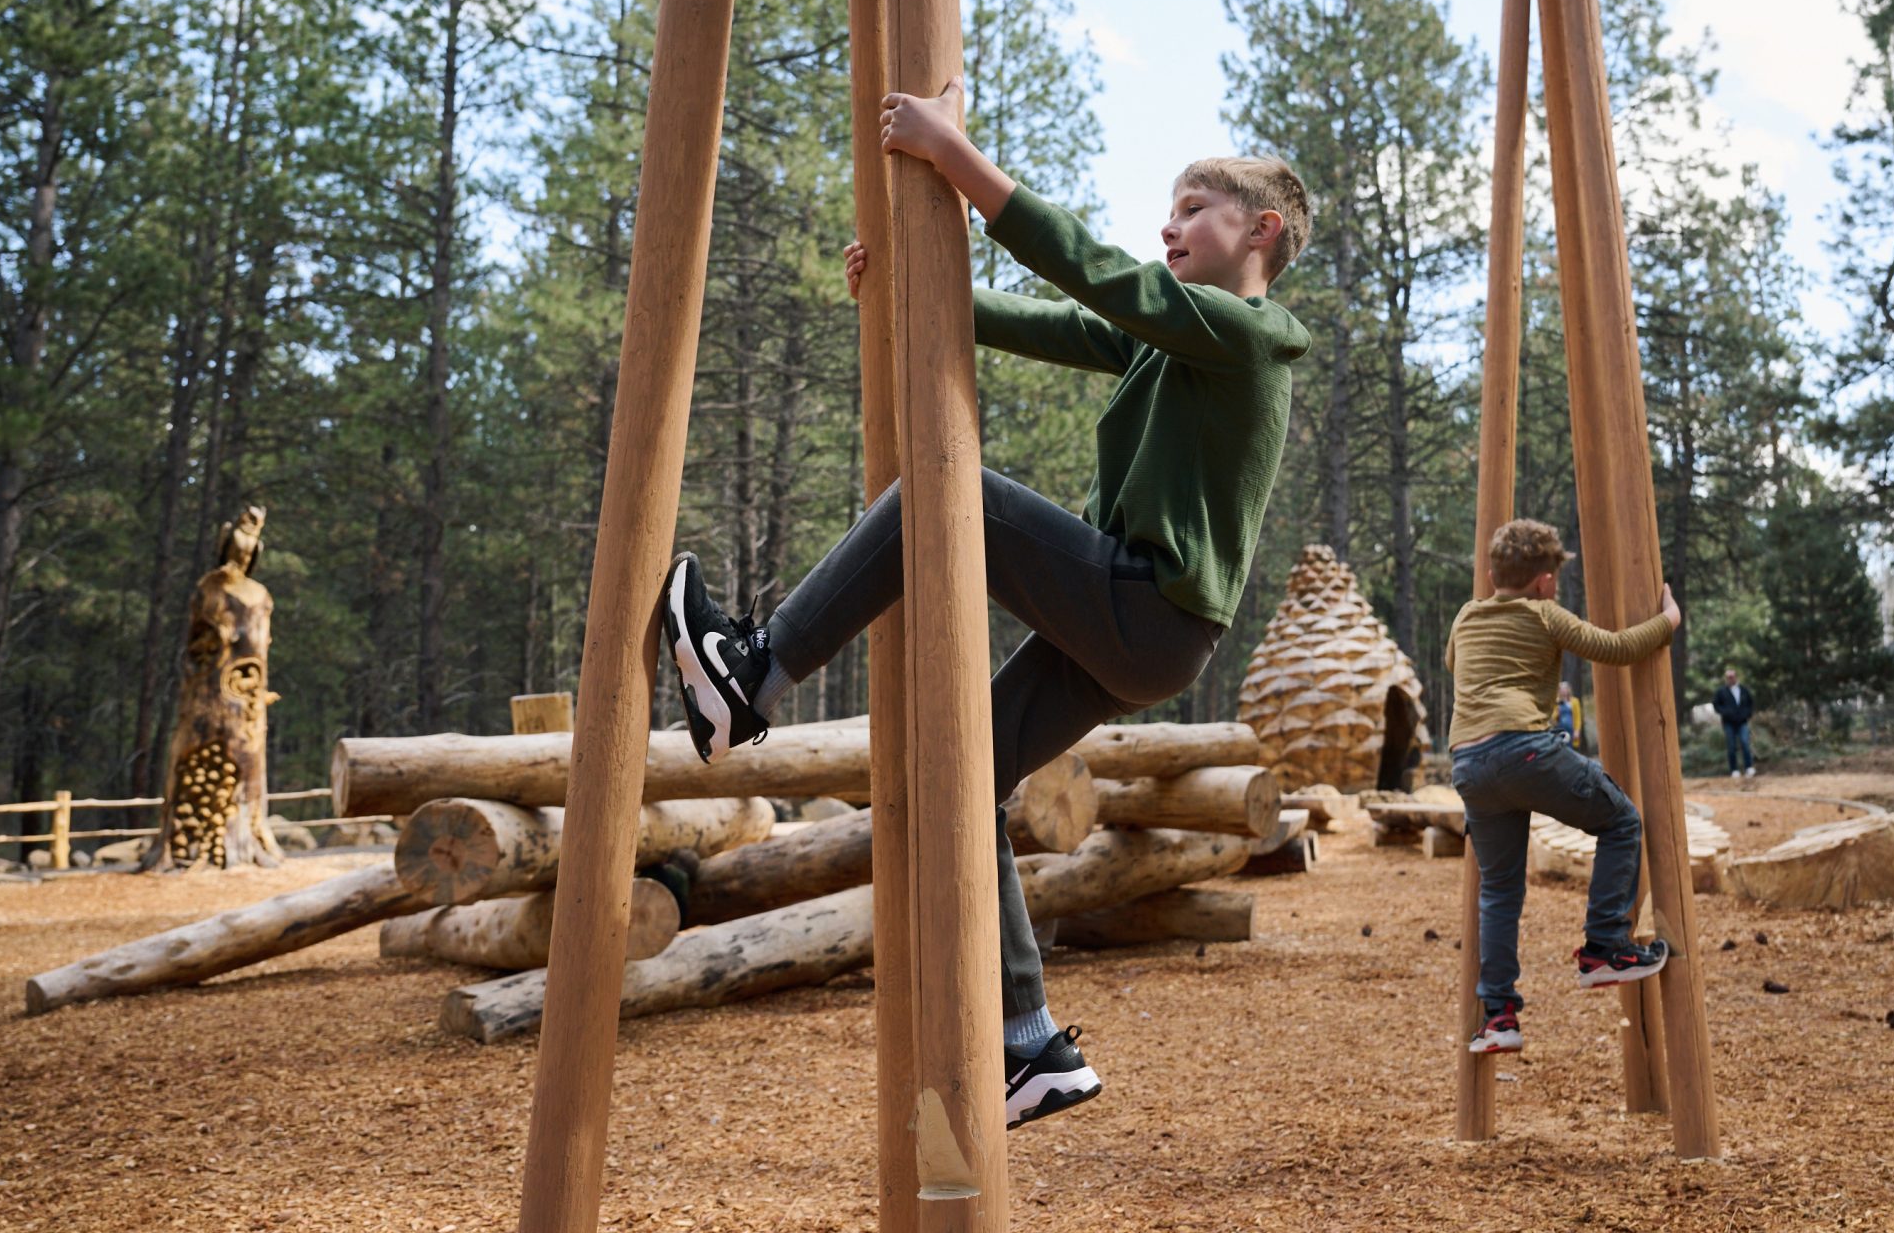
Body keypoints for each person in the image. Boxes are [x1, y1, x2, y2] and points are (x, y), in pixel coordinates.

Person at [664, 77, 1311, 1129]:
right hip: (1142, 625)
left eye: (1194, 207)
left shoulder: (1245, 335)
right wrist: (912, 288)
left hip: (1148, 607)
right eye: (1171, 207)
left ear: (1261, 231)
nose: (1167, 223)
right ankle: (1029, 1042)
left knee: (942, 490)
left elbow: (1093, 274)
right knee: (958, 777)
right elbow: (1059, 319)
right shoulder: (1172, 341)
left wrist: (957, 158)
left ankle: (753, 674)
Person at [1445, 518, 1682, 1055]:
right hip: (1522, 750)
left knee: (1500, 890)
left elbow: (1454, 663)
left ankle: (1499, 1017)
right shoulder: (1546, 615)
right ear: (1546, 582)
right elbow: (1617, 648)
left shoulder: (1465, 617)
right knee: (1621, 822)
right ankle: (1605, 947)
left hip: (1468, 765)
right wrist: (1667, 620)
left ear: (1490, 573)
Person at [1713, 666, 1756, 778]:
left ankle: (1749, 767)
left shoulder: (1744, 690)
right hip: (1728, 723)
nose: (1730, 679)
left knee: (1745, 743)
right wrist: (1726, 713)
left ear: (1735, 677)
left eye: (1732, 677)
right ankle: (1734, 770)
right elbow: (1716, 705)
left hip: (1742, 722)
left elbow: (1751, 704)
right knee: (1731, 746)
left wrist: (1747, 714)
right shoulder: (1721, 691)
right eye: (1728, 677)